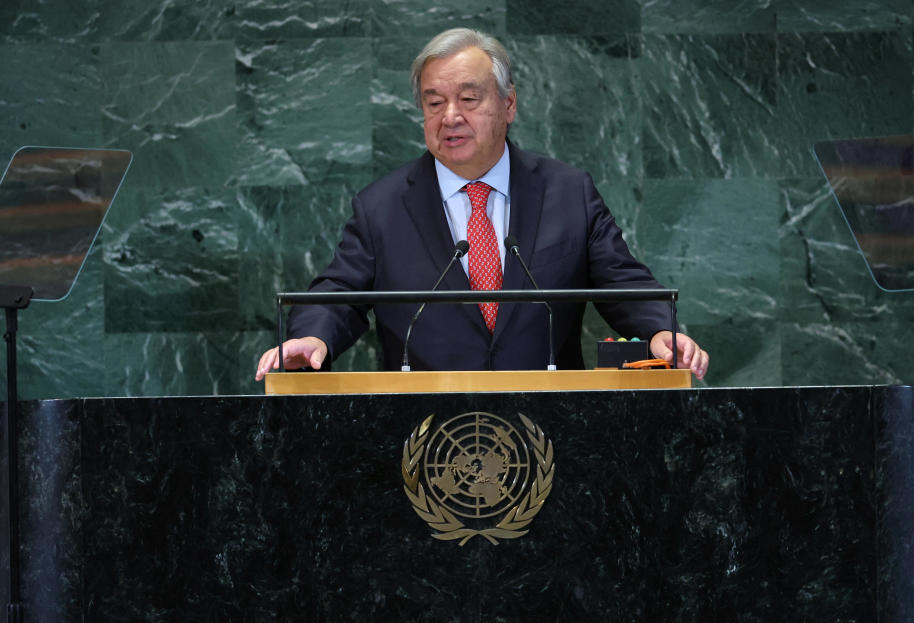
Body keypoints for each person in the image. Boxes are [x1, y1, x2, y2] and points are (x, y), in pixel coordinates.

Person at [256, 28, 709, 381]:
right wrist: (311, 336)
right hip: (426, 439)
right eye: (434, 103)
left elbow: (622, 282)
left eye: (469, 99)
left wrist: (659, 331)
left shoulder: (568, 192)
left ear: (508, 104)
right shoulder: (383, 207)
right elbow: (340, 293)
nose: (450, 116)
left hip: (554, 430)